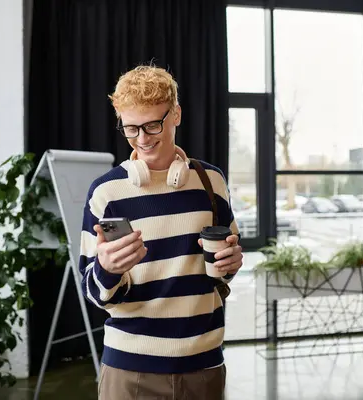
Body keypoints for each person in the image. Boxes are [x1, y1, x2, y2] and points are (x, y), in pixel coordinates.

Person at [79, 64, 243, 400]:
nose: (143, 139)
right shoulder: (106, 192)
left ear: (176, 114)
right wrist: (107, 270)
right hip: (130, 370)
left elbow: (223, 271)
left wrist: (231, 263)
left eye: (153, 125)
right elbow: (94, 292)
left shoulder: (211, 182)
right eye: (131, 129)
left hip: (204, 365)